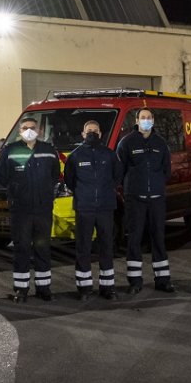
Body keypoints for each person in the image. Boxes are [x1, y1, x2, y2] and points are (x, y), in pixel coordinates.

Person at [0, 117, 61, 302]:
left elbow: (55, 175)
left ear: (39, 131)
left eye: (32, 128)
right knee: (21, 248)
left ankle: (44, 288)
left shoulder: (49, 150)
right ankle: (21, 289)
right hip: (21, 210)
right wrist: (17, 190)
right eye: (25, 128)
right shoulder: (10, 150)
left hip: (43, 209)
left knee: (43, 247)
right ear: (19, 131)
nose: (29, 131)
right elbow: (2, 177)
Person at [116, 107, 175, 293]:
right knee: (134, 240)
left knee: (159, 239)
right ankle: (135, 281)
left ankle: (163, 280)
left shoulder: (161, 143)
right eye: (143, 117)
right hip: (136, 199)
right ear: (137, 120)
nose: (146, 120)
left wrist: (156, 186)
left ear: (153, 120)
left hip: (157, 199)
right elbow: (119, 171)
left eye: (149, 117)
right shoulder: (127, 143)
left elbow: (166, 171)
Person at [63, 120, 123, 300]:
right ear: (82, 134)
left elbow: (117, 176)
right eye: (89, 131)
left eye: (95, 131)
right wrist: (84, 194)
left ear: (100, 133)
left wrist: (105, 191)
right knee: (83, 247)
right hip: (84, 208)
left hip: (105, 207)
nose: (92, 133)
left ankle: (108, 287)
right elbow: (69, 180)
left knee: (107, 247)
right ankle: (84, 288)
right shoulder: (75, 156)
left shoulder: (110, 155)